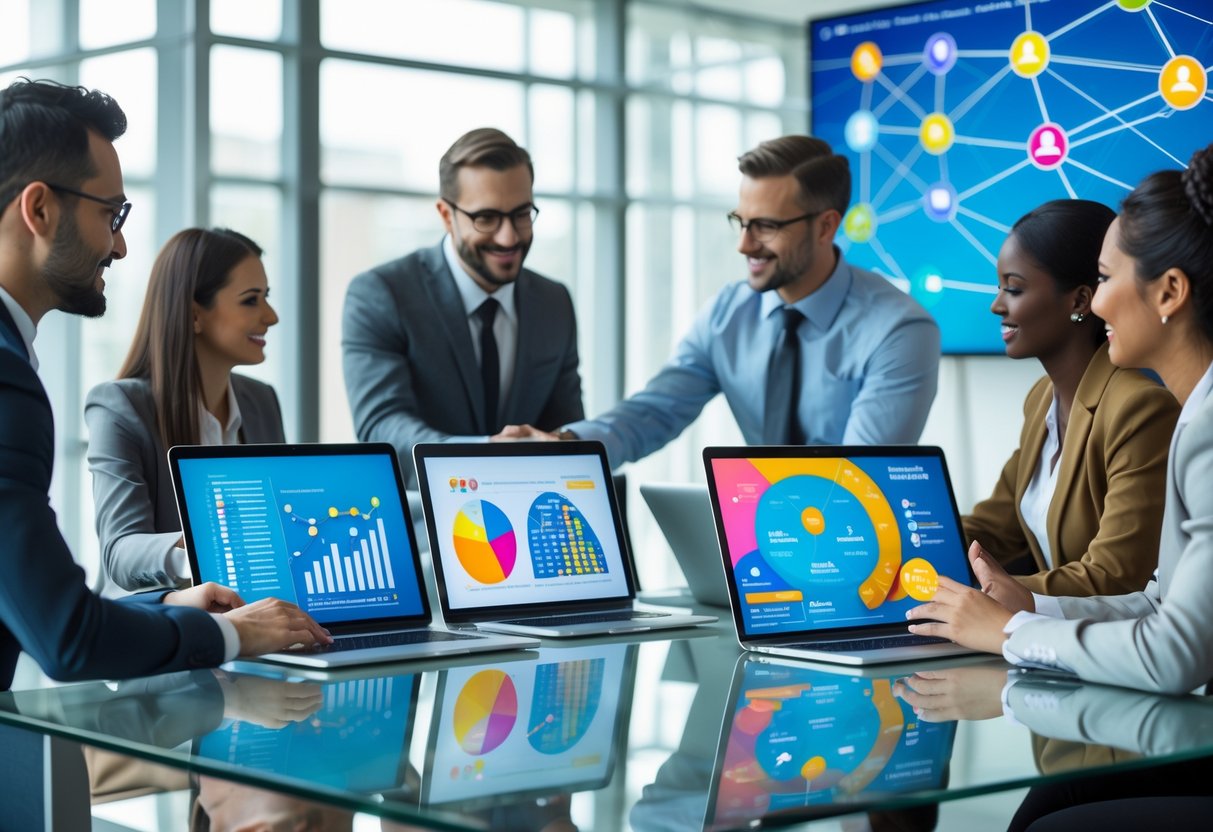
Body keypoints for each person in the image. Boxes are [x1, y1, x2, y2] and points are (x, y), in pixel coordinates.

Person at [0, 77, 329, 691]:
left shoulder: (14, 363)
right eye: (111, 213)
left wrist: (174, 608)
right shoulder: (14, 382)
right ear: (39, 209)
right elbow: (66, 636)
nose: (121, 245)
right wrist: (235, 632)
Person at [906, 141, 1213, 695]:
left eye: (1107, 280)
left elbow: (1165, 638)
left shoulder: (1177, 420)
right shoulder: (1055, 402)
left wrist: (1008, 627)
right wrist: (902, 559)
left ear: (1168, 291)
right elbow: (1155, 598)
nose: (1098, 304)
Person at [500, 135, 940, 465]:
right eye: (740, 222)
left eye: (765, 226)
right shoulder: (727, 315)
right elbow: (655, 411)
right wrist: (568, 445)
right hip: (763, 534)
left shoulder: (898, 331)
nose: (744, 246)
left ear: (825, 227)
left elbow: (862, 476)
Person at [342, 127, 584, 486]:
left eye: (521, 214)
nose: (509, 237)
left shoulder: (553, 302)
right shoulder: (382, 294)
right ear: (445, 214)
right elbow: (383, 429)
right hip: (424, 531)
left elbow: (566, 433)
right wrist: (485, 450)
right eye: (486, 218)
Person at [962, 199, 1178, 597]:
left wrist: (989, 597)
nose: (997, 305)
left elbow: (1115, 576)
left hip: (1112, 647)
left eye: (1013, 288)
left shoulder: (1139, 409)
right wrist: (907, 540)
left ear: (1079, 301)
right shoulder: (1041, 400)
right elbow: (997, 528)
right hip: (1048, 643)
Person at [86, 227, 286, 596]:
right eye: (251, 300)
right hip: (154, 634)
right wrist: (212, 553)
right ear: (195, 315)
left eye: (266, 297)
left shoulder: (262, 402)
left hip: (249, 622)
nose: (271, 316)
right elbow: (121, 553)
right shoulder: (119, 408)